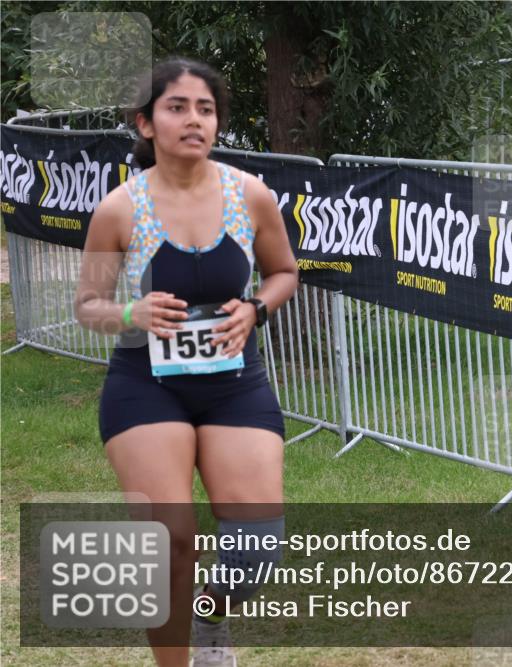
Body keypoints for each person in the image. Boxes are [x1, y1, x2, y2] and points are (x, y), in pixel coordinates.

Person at [74, 57, 298, 667]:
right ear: (146, 124)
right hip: (146, 387)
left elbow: (284, 272)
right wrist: (131, 312)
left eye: (206, 109)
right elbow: (88, 305)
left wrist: (256, 308)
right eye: (177, 108)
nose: (194, 120)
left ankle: (209, 614)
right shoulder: (120, 209)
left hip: (235, 384)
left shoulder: (249, 195)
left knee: (255, 550)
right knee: (168, 543)